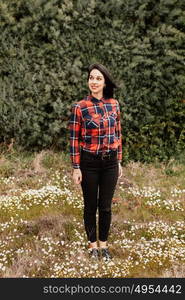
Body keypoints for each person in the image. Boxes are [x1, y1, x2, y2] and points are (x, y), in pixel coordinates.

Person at [68, 63, 122, 261]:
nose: (94, 82)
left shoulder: (114, 104)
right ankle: (93, 247)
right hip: (88, 163)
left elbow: (118, 133)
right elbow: (74, 140)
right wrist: (76, 167)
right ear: (88, 81)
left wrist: (119, 162)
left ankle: (104, 246)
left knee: (105, 206)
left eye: (98, 78)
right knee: (90, 206)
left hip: (110, 163)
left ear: (105, 81)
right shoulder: (80, 108)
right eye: (91, 77)